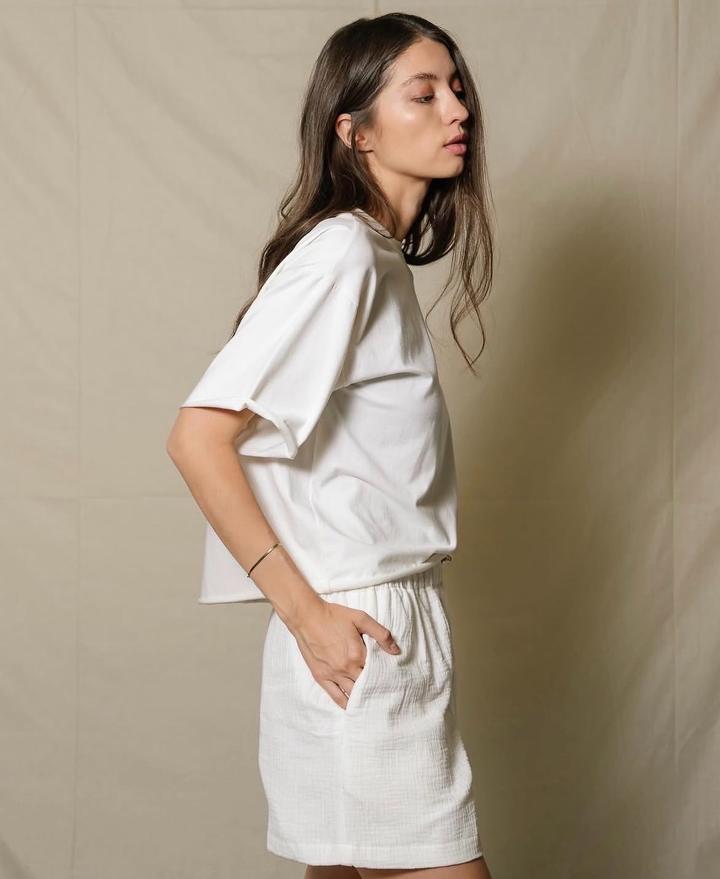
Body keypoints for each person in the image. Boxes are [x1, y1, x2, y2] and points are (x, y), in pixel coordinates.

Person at [167, 12, 495, 879]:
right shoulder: (343, 252)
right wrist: (307, 616)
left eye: (457, 88)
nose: (456, 109)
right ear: (356, 132)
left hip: (384, 618)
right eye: (423, 94)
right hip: (362, 624)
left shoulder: (374, 259)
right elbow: (198, 436)